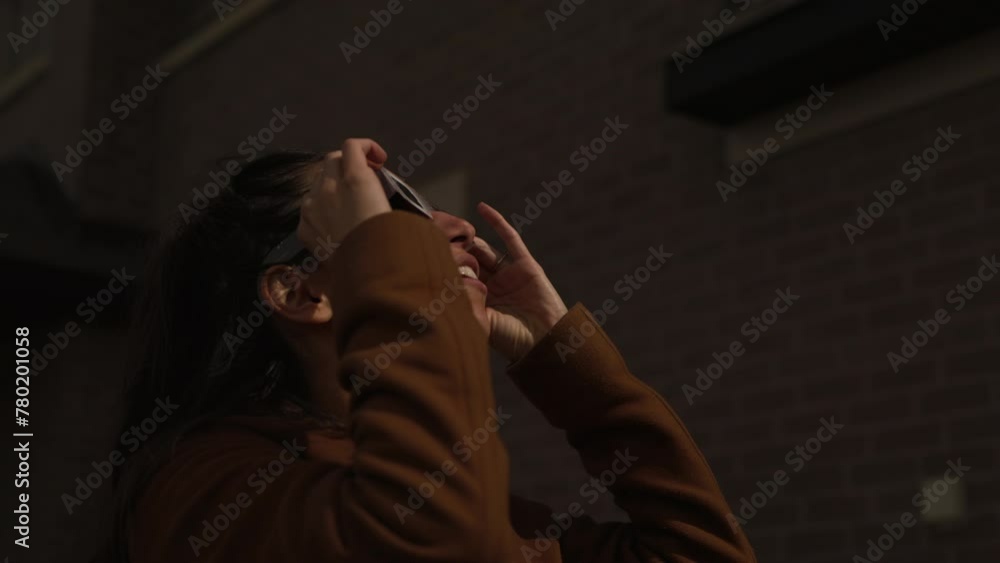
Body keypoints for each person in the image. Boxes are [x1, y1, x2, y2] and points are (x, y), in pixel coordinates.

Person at [104, 139, 756, 562]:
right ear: (298, 291)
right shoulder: (209, 489)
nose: (457, 225)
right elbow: (435, 540)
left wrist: (569, 363)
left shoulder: (456, 495)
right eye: (395, 213)